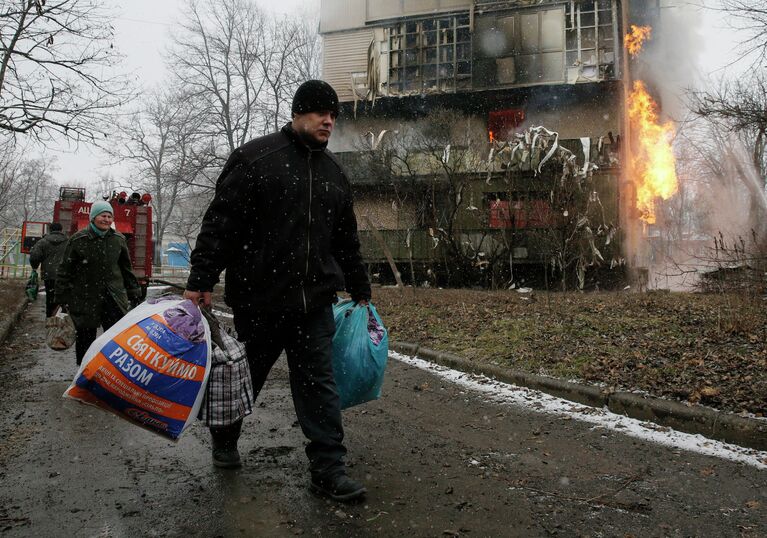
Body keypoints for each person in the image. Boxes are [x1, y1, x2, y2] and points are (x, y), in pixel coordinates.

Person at [184, 80, 371, 503]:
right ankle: (225, 438)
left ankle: (328, 468)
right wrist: (200, 281)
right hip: (261, 300)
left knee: (319, 386)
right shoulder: (255, 159)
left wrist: (360, 287)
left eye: (333, 115)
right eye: (321, 112)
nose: (329, 121)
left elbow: (346, 241)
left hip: (315, 305)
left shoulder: (335, 175)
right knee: (245, 378)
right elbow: (221, 225)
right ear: (298, 113)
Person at [56, 201, 142, 366]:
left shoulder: (118, 239)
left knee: (114, 337)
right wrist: (61, 297)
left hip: (113, 298)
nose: (107, 219)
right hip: (85, 297)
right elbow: (65, 269)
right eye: (103, 215)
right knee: (85, 337)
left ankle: (109, 372)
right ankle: (84, 372)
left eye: (110, 216)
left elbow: (126, 269)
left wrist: (134, 293)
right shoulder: (78, 239)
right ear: (93, 217)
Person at [29, 222, 68, 317]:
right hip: (64, 275)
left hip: (49, 275)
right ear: (61, 230)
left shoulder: (43, 242)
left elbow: (34, 256)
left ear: (50, 230)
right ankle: (62, 320)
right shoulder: (68, 241)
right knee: (63, 298)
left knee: (50, 299)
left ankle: (50, 319)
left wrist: (35, 267)